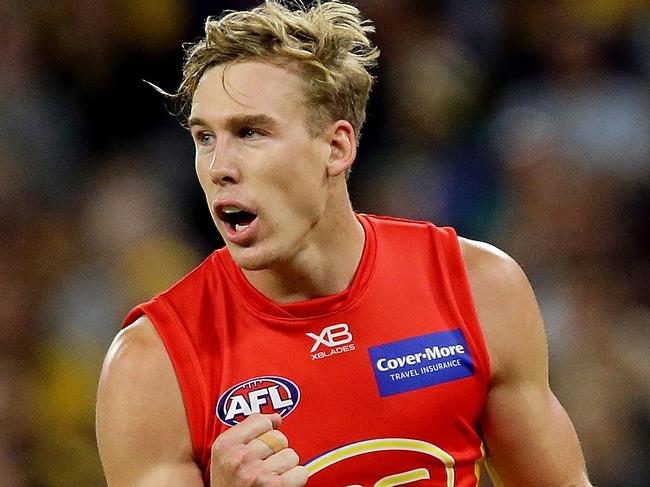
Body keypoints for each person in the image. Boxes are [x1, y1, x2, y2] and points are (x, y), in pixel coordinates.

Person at [96, 1, 592, 485]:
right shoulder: (153, 364)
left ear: (336, 148)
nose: (219, 166)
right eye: (205, 138)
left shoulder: (477, 286)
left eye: (250, 132)